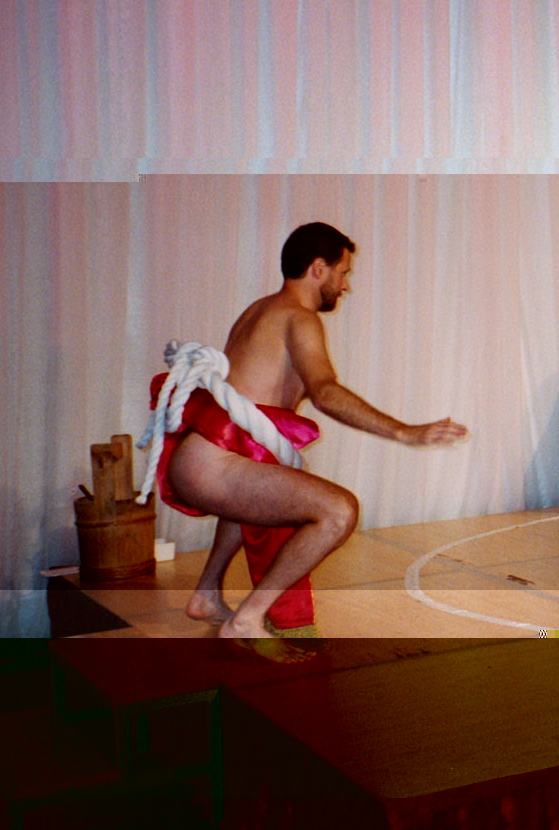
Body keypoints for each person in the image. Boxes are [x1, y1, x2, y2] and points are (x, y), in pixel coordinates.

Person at [144, 222, 467, 660]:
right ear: (318, 268)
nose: (345, 285)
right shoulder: (300, 318)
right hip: (212, 463)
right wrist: (404, 431)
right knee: (339, 511)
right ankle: (248, 617)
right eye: (343, 273)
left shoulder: (260, 309)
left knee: (255, 493)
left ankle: (207, 594)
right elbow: (325, 393)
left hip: (204, 459)